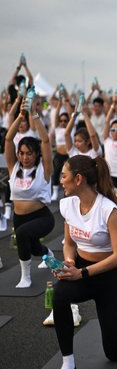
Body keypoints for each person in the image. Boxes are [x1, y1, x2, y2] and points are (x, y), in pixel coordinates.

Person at [52, 155, 117, 369]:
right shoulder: (68, 204)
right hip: (80, 269)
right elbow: (69, 242)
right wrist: (69, 263)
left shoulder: (109, 210)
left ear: (78, 178)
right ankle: (68, 362)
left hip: (107, 277)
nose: (60, 180)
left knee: (114, 354)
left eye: (64, 175)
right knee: (59, 296)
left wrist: (82, 273)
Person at [5, 99, 55, 288]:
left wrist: (34, 114)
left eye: (29, 153)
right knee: (34, 248)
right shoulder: (14, 167)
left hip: (42, 217)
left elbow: (46, 140)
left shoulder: (44, 168)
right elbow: (9, 139)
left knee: (23, 234)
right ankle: (47, 254)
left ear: (36, 155)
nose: (25, 157)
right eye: (22, 153)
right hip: (19, 217)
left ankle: (25, 276)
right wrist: (19, 116)